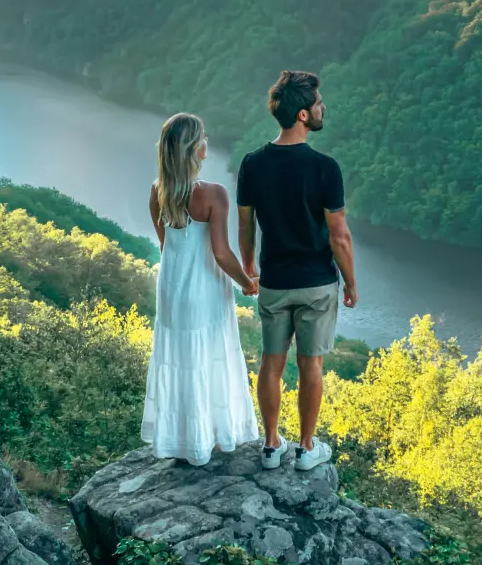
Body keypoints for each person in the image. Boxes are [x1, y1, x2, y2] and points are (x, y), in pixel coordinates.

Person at [237, 71, 358, 471]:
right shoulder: (326, 168)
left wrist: (250, 267)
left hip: (274, 281)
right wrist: (352, 284)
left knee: (271, 364)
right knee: (312, 366)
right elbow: (339, 237)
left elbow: (245, 224)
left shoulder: (252, 164)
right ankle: (306, 449)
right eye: (320, 104)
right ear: (304, 115)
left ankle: (271, 446)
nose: (325, 109)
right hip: (317, 282)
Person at [142, 112, 259, 466]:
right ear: (194, 149)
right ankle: (211, 437)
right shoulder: (214, 195)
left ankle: (183, 440)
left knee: (180, 359)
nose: (208, 141)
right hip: (204, 289)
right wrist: (247, 284)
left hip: (172, 288)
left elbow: (167, 247)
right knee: (207, 357)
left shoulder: (158, 191)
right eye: (203, 137)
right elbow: (222, 254)